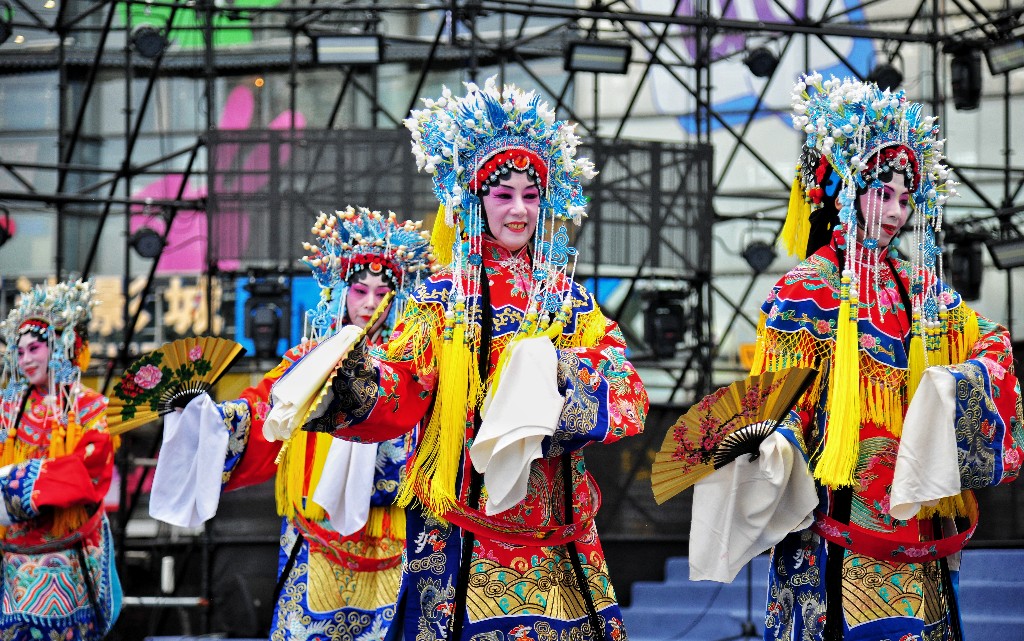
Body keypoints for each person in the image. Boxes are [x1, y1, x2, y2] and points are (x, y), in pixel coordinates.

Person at [292, 78, 649, 641]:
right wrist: (350, 380)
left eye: (531, 195)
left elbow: (626, 387)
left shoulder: (569, 299)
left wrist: (560, 377)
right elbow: (403, 388)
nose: (519, 210)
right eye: (503, 195)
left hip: (557, 530)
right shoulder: (442, 300)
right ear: (473, 201)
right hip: (463, 530)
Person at [744, 75, 1024, 640]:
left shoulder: (921, 289)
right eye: (881, 193)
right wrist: (778, 452)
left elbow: (990, 339)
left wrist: (966, 379)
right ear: (844, 191)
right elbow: (777, 405)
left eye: (904, 198)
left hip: (917, 524)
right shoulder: (807, 289)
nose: (896, 211)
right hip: (834, 527)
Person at [148, 206, 434, 641]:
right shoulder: (309, 358)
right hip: (315, 539)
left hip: (393, 536)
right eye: (360, 290)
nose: (370, 304)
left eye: (383, 293)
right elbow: (264, 411)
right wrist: (207, 416)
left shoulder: (415, 365)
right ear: (340, 291)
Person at [0, 279, 122, 640]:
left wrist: (13, 488)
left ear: (60, 346)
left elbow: (90, 472)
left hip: (68, 558)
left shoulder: (90, 407)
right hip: (13, 562)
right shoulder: (7, 410)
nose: (25, 360)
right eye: (19, 352)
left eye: (34, 348)